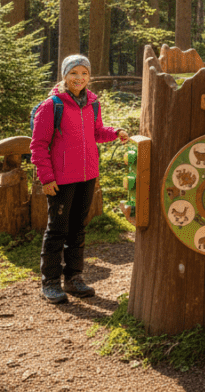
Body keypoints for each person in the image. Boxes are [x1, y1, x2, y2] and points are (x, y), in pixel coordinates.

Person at [30, 55, 129, 303]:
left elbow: (97, 132)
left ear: (89, 76)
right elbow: (39, 146)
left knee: (78, 229)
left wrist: (115, 132)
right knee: (57, 230)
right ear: (65, 75)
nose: (79, 78)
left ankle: (73, 278)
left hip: (87, 176)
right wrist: (46, 179)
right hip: (60, 179)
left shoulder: (92, 103)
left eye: (84, 73)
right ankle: (50, 282)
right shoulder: (52, 105)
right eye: (74, 73)